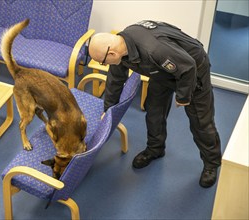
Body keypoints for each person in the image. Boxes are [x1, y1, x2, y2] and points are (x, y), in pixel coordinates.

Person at [88, 20, 221, 188]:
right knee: (153, 111)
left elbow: (188, 68)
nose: (104, 65)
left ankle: (211, 164)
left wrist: (183, 97)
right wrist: (108, 110)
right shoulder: (121, 48)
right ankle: (155, 149)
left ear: (112, 53)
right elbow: (115, 80)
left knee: (201, 121)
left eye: (103, 62)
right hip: (161, 71)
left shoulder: (154, 50)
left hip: (193, 71)